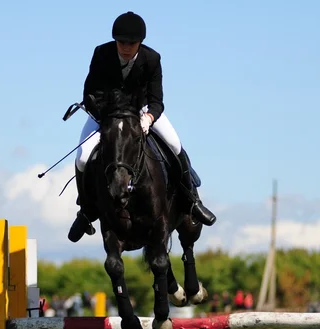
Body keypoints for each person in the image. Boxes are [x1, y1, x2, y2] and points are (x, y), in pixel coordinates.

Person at [68, 11, 217, 242]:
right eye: (121, 43)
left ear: (140, 43)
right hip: (106, 115)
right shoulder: (101, 54)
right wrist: (107, 116)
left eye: (131, 43)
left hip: (142, 112)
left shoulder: (152, 59)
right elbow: (89, 94)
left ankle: (191, 201)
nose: (126, 47)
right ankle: (86, 212)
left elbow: (157, 100)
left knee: (175, 145)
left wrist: (148, 118)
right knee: (83, 157)